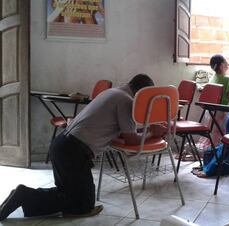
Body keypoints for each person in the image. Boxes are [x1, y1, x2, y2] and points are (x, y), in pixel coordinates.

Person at [0, 74, 165, 220]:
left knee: (70, 193)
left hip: (63, 146)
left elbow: (122, 131)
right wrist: (151, 132)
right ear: (141, 93)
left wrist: (145, 130)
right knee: (83, 205)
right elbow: (131, 140)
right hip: (73, 151)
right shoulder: (126, 101)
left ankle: (26, 196)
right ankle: (24, 195)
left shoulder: (113, 92)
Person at [196, 55, 229, 152]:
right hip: (223, 112)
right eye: (226, 63)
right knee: (225, 132)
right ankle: (221, 152)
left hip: (212, 112)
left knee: (215, 134)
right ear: (221, 66)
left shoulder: (213, 78)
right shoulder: (228, 79)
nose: (228, 66)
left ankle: (212, 151)